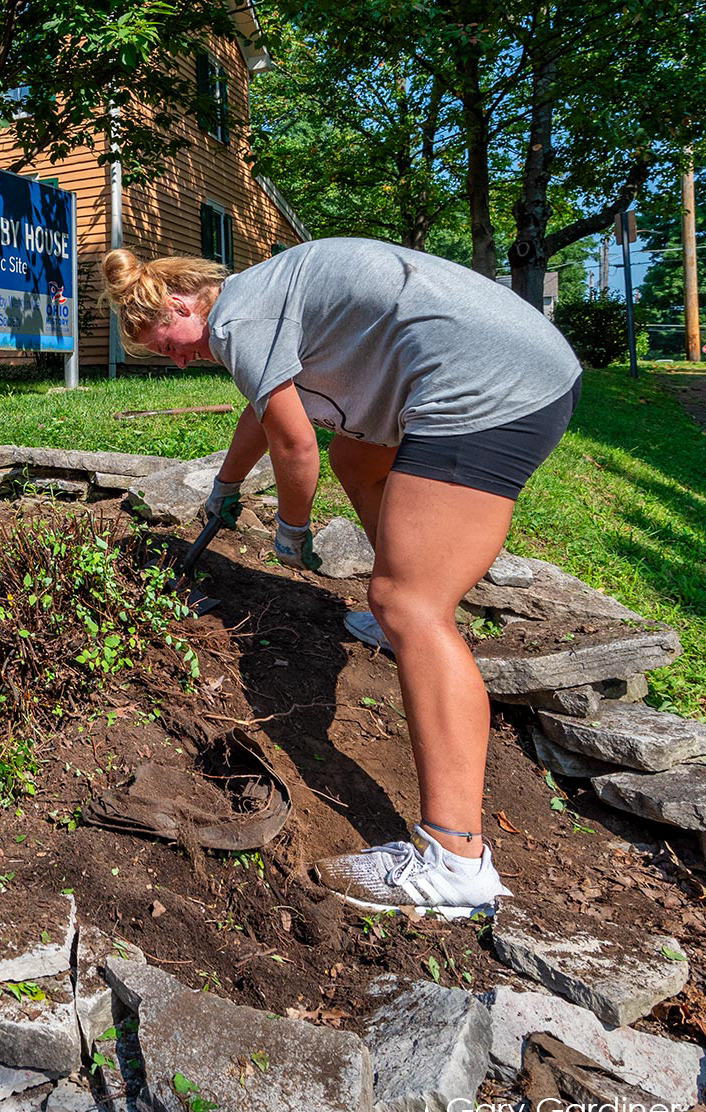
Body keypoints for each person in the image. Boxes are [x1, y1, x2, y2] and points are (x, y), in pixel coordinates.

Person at [101, 237, 582, 920]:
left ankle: (454, 861)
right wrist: (226, 482)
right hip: (516, 359)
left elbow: (297, 446)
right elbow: (264, 414)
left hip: (488, 382)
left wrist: (291, 533)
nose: (176, 357)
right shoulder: (257, 300)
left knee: (408, 602)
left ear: (182, 301)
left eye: (167, 340)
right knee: (359, 455)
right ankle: (410, 618)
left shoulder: (238, 319)